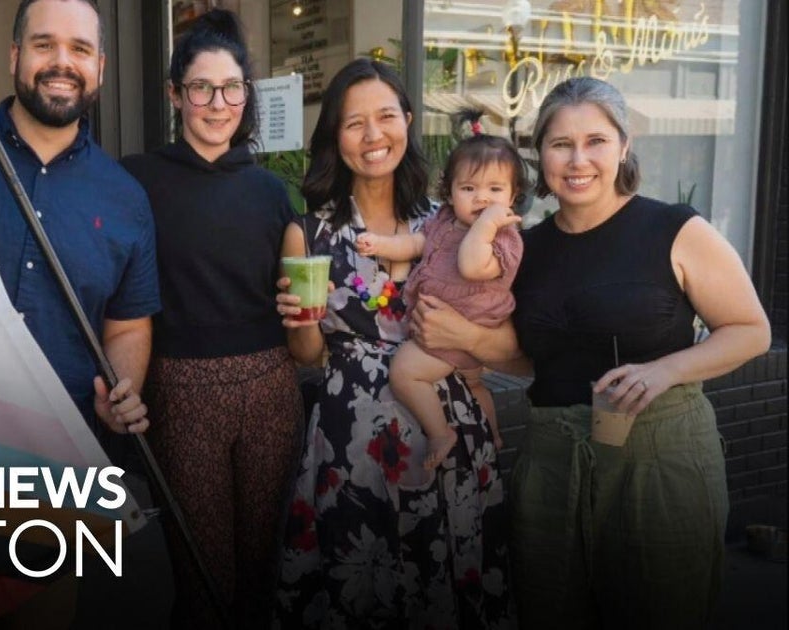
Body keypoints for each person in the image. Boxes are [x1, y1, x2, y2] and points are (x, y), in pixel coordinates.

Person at [412, 76, 771, 628]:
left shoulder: (673, 228)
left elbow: (750, 330)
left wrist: (666, 370)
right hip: (553, 462)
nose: (578, 160)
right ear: (540, 157)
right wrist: (468, 340)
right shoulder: (522, 249)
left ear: (623, 146)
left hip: (661, 460)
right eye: (560, 144)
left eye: (596, 141)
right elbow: (533, 358)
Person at [0, 0, 172, 625]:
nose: (61, 63)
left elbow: (127, 323)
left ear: (99, 65)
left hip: (62, 464)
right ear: (15, 55)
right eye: (44, 45)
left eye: (79, 49)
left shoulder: (124, 197)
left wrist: (122, 384)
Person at [273, 58, 512, 628]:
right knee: (359, 593)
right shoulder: (310, 232)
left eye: (386, 116)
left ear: (408, 119)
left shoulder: (452, 222)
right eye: (354, 123)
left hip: (445, 436)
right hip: (350, 445)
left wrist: (471, 342)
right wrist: (297, 320)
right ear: (336, 136)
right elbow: (307, 357)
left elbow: (511, 339)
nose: (373, 135)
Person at [119, 10, 303, 628]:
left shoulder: (272, 192)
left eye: (231, 88)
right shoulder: (137, 181)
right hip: (181, 388)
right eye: (201, 88)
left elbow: (296, 298)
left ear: (245, 95)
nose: (217, 103)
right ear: (176, 95)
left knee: (264, 560)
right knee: (201, 567)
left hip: (271, 384)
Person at [355, 133, 526, 467]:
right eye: (468, 189)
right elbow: (417, 244)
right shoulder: (444, 220)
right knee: (475, 384)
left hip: (463, 328)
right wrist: (380, 244)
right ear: (449, 193)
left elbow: (472, 265)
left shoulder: (506, 239)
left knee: (404, 373)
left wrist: (488, 224)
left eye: (495, 190)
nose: (481, 199)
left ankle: (439, 433)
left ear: (513, 197)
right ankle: (494, 432)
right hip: (449, 326)